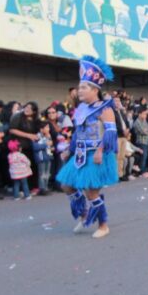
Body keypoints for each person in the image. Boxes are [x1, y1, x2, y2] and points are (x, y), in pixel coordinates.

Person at [57, 57, 118, 238]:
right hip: (80, 154)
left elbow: (110, 133)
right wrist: (69, 149)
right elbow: (77, 132)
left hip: (97, 155)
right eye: (79, 86)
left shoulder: (105, 108)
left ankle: (103, 225)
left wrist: (100, 151)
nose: (79, 90)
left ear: (95, 89)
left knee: (92, 192)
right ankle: (84, 215)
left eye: (83, 87)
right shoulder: (82, 108)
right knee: (66, 186)